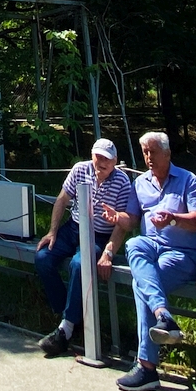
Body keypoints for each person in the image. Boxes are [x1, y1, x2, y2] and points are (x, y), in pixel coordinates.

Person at [116, 130, 196, 391]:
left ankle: (146, 367)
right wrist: (117, 218)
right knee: (134, 243)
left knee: (140, 285)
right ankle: (163, 315)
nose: (148, 157)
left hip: (182, 254)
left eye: (153, 152)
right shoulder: (140, 183)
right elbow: (133, 221)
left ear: (167, 154)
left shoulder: (188, 180)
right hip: (151, 247)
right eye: (145, 152)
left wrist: (174, 219)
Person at [35, 140, 139, 357]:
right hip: (73, 227)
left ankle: (65, 330)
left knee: (79, 264)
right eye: (98, 157)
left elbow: (122, 223)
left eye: (106, 159)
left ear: (114, 161)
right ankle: (70, 317)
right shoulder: (80, 169)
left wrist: (109, 252)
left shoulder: (122, 182)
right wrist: (52, 231)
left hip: (99, 234)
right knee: (43, 257)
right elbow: (62, 200)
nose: (101, 162)